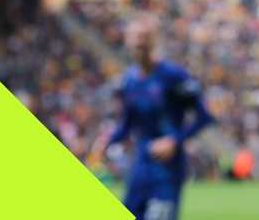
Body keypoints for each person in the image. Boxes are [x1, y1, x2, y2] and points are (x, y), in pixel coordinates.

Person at [91, 16, 213, 220]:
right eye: (135, 37)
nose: (139, 42)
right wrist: (107, 141)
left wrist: (174, 140)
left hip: (167, 171)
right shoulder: (128, 80)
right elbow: (127, 125)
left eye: (144, 37)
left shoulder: (173, 75)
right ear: (127, 41)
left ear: (153, 41)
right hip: (140, 169)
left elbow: (204, 117)